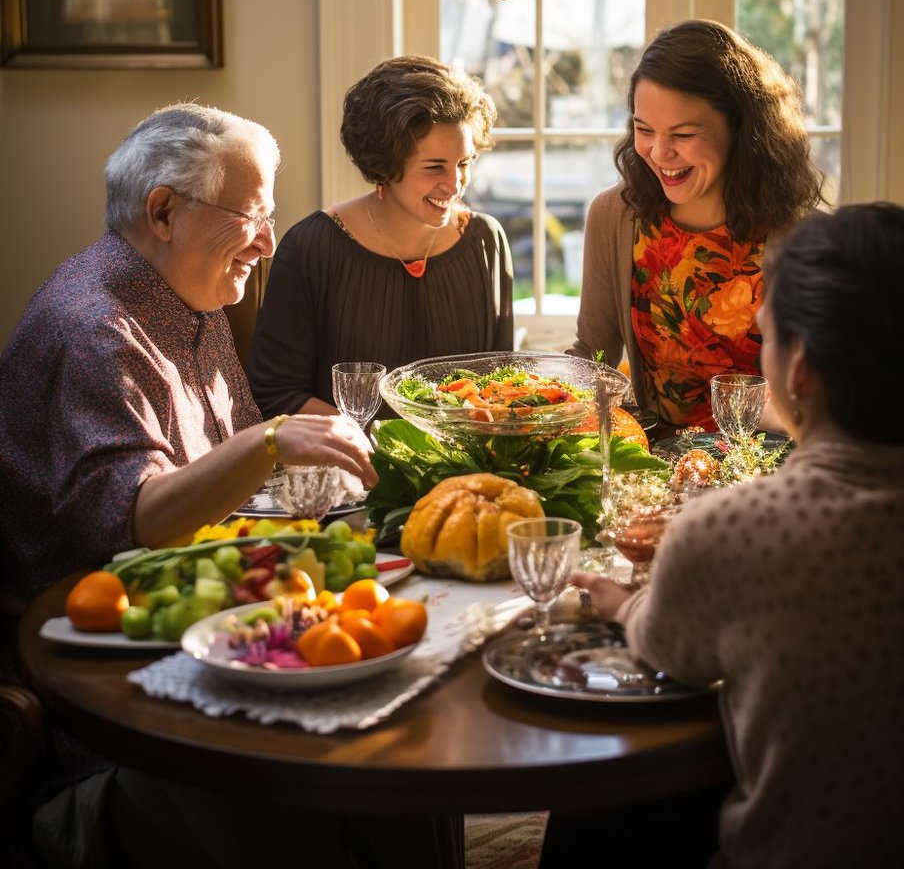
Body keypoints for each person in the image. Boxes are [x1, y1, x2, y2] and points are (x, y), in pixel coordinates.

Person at [0, 103, 457, 869]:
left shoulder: (191, 293)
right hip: (110, 686)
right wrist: (272, 441)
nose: (270, 243)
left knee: (411, 734)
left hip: (203, 625)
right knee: (361, 758)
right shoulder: (96, 330)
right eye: (251, 216)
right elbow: (131, 521)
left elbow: (236, 492)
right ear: (163, 211)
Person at [553, 204, 904, 868]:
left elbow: (664, 649)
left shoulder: (731, 528)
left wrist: (622, 603)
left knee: (603, 803)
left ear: (796, 368)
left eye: (763, 336)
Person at [568, 19, 824, 431]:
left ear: (742, 129)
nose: (659, 152)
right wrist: (533, 399)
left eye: (683, 134)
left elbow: (820, 390)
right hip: (655, 462)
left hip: (770, 462)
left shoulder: (800, 236)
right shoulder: (614, 215)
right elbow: (591, 353)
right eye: (643, 129)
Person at [247, 55, 514, 419]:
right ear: (385, 165)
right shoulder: (310, 248)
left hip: (466, 473)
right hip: (347, 467)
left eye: (464, 163)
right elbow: (276, 393)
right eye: (434, 166)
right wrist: (372, 447)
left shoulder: (486, 241)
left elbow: (501, 385)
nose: (455, 184)